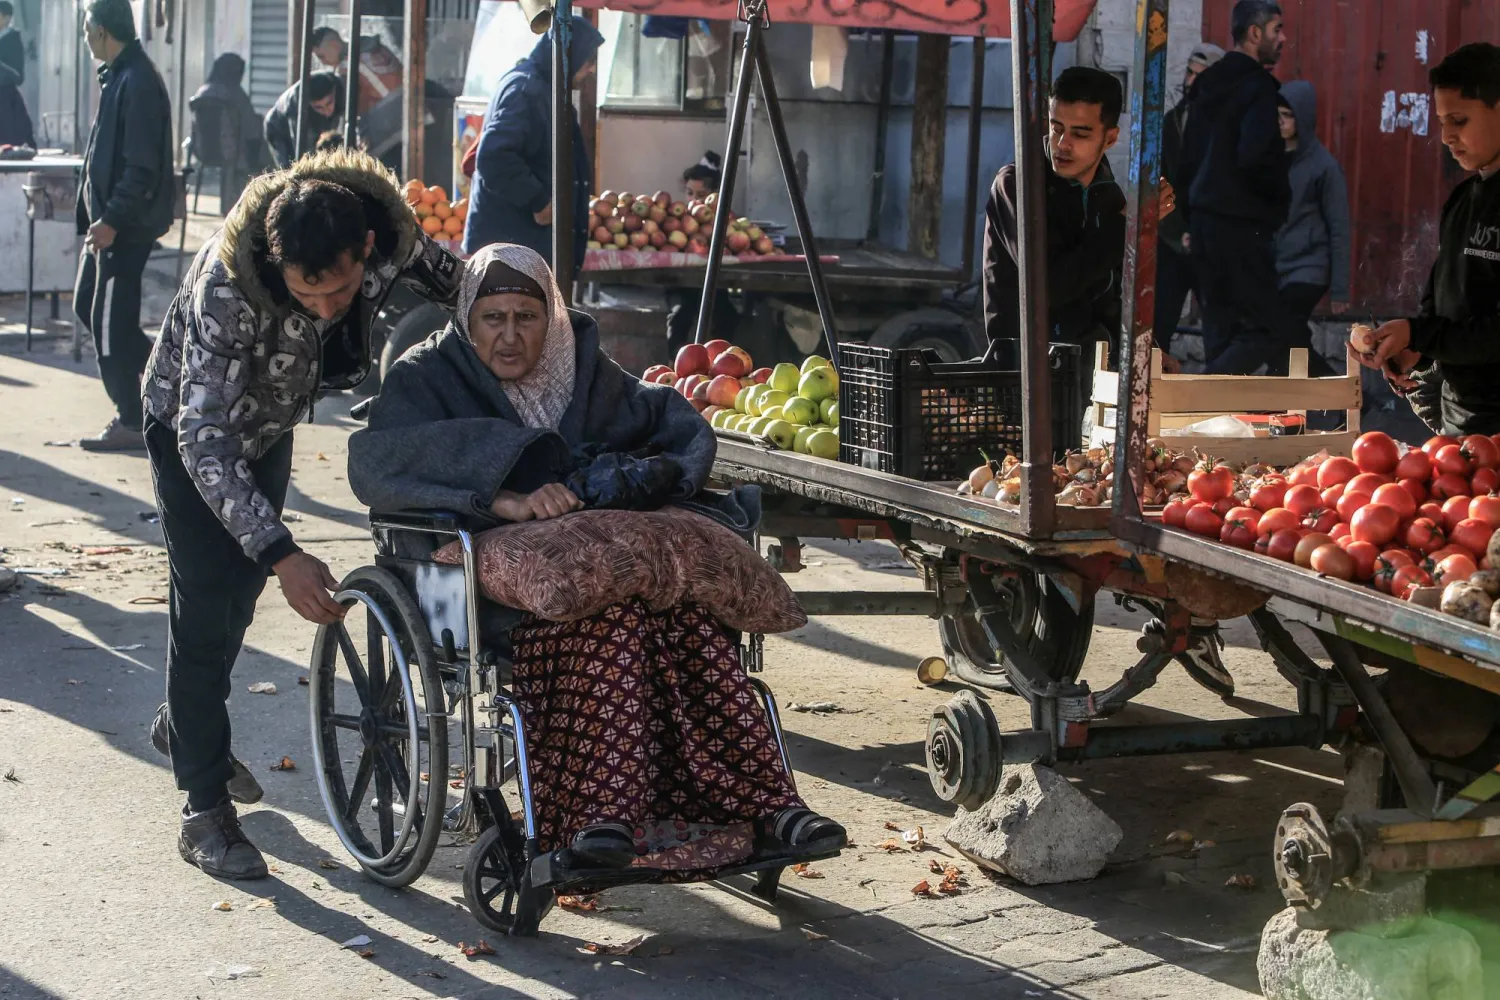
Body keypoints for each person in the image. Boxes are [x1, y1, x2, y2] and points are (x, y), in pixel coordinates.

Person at [347, 242, 846, 872]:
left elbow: (673, 426)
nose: (509, 336)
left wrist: (622, 481)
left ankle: (768, 807)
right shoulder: (426, 376)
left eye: (525, 318)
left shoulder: (582, 368)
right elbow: (378, 462)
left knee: (687, 619)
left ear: (551, 317)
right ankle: (599, 817)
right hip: (483, 587)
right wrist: (501, 497)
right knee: (603, 623)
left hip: (607, 565)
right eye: (492, 319)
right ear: (467, 321)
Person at [140, 146, 462, 879]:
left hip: (270, 428)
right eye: (306, 296)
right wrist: (282, 551)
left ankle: (184, 726)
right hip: (194, 431)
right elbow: (204, 438)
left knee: (240, 598)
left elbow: (468, 286)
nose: (325, 310)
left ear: (366, 251)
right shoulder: (227, 288)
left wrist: (533, 329)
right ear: (276, 264)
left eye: (341, 293)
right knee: (205, 603)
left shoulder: (393, 239)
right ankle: (203, 808)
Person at [1358, 43, 1500, 437]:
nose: (1446, 137)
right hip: (1462, 426)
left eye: (1459, 120)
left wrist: (1420, 334)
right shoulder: (1461, 200)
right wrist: (1410, 352)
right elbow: (1442, 309)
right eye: (1441, 122)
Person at [73, 0, 175, 453]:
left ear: (98, 30)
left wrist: (112, 220)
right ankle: (172, 371)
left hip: (124, 228)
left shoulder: (136, 80)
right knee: (88, 308)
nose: (85, 37)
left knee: (110, 329)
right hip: (108, 227)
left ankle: (132, 418)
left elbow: (141, 168)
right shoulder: (118, 75)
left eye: (85, 28)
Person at [1176, 0, 1295, 376]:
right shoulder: (1257, 86)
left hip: (1204, 226)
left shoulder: (1207, 85)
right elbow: (1255, 156)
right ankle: (1199, 399)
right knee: (1267, 329)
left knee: (1220, 332)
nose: (1283, 38)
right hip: (1242, 225)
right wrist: (1278, 201)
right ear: (1254, 33)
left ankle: (1214, 425)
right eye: (1277, 29)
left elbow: (1187, 157)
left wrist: (1189, 219)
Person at [463, 16, 603, 267]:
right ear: (570, 54)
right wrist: (539, 200)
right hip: (512, 251)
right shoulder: (527, 91)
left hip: (521, 249)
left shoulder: (543, 88)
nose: (591, 68)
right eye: (589, 59)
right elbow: (494, 156)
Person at [1274, 81, 1351, 376]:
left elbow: (1340, 227)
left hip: (1309, 268)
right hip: (1280, 268)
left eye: (1287, 115)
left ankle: (1338, 390)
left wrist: (1341, 289)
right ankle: (1320, 397)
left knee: (1285, 332)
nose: (1280, 121)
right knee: (1288, 339)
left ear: (1302, 118)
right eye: (1277, 114)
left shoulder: (1324, 166)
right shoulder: (1274, 160)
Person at [1154, 42, 1223, 359]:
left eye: (1202, 75)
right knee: (1157, 327)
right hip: (1173, 242)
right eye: (1190, 73)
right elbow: (1160, 183)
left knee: (1219, 333)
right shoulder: (1173, 122)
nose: (1192, 81)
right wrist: (1177, 231)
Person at [667, 151, 736, 355]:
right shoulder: (675, 223)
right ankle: (674, 363)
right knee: (680, 313)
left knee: (725, 314)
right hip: (680, 282)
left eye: (701, 195)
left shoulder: (724, 224)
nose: (694, 201)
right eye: (689, 193)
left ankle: (720, 366)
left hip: (713, 283)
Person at [188, 53, 267, 214]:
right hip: (232, 152)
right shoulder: (235, 93)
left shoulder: (202, 91)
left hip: (204, 150)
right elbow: (251, 127)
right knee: (263, 152)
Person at [264, 70, 344, 169]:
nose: (326, 110)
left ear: (334, 91)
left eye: (329, 103)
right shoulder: (296, 106)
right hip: (278, 128)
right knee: (291, 167)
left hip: (315, 119)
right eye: (319, 107)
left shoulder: (340, 86)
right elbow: (300, 149)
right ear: (309, 103)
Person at [0, 1, 35, 148]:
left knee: (9, 142)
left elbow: (18, 75)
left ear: (7, 18)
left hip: (5, 100)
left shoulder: (12, 40)